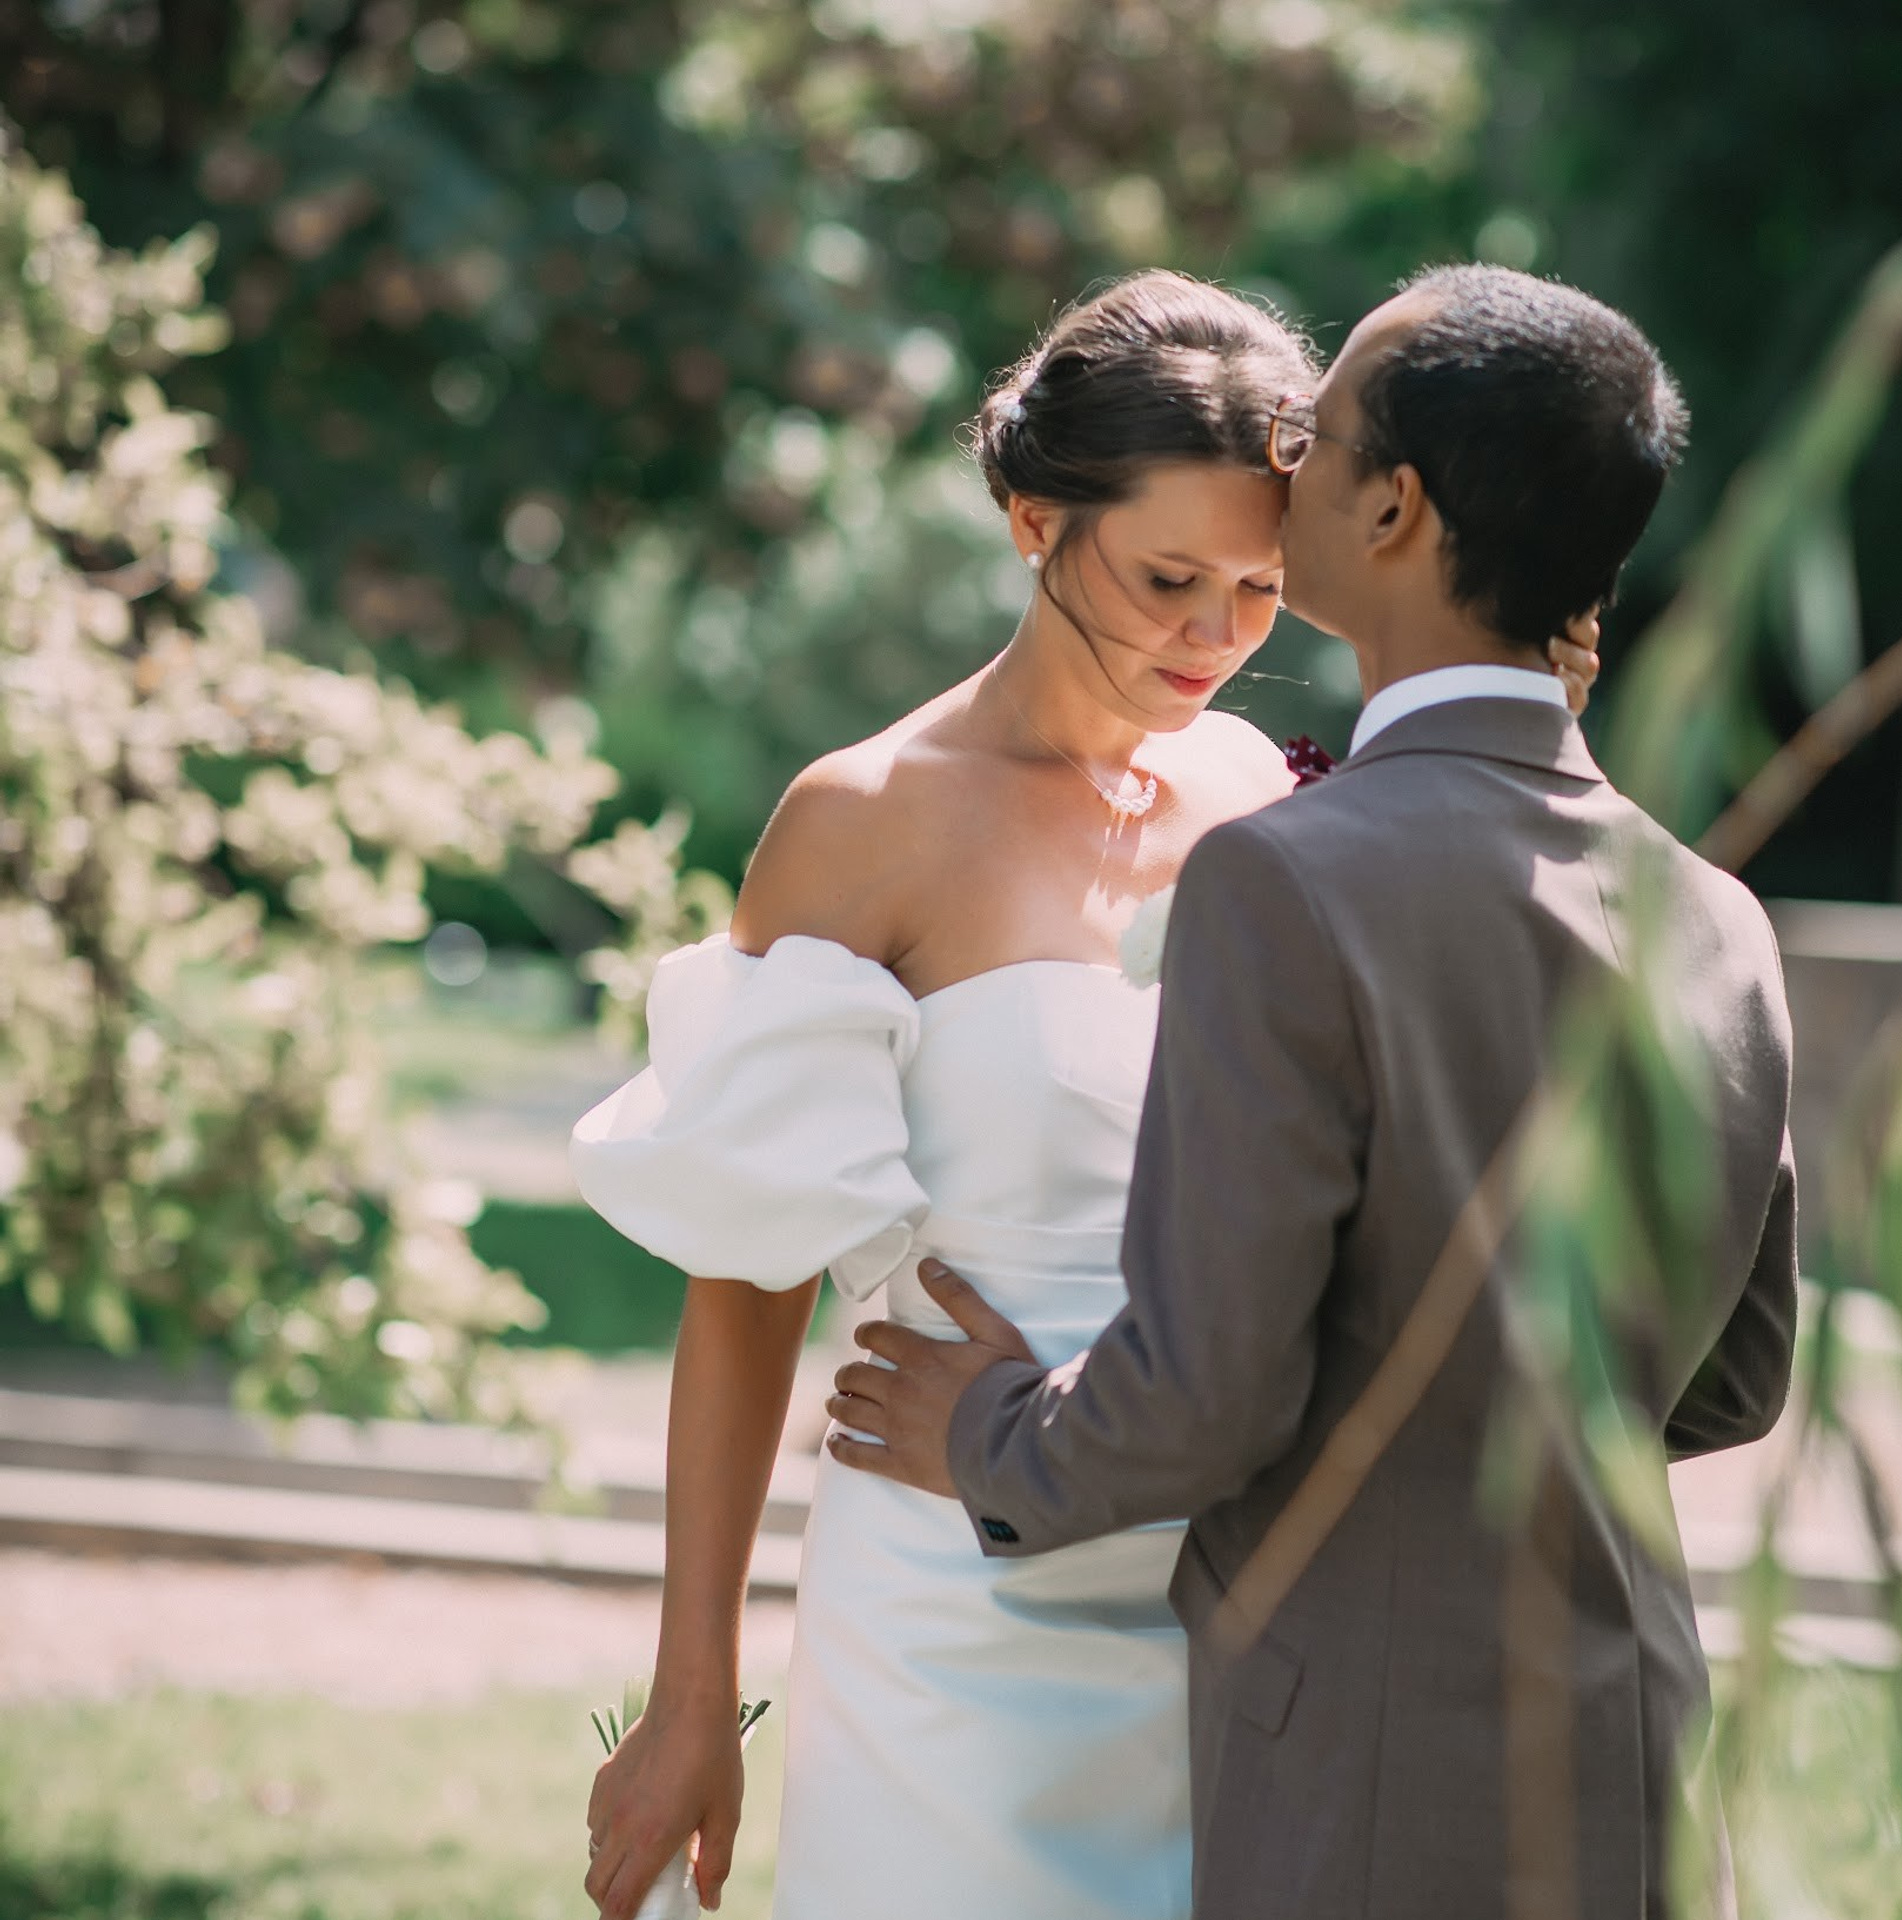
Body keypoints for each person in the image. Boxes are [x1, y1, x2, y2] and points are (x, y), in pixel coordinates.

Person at [572, 270, 1602, 1920]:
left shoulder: (1277, 798)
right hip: (949, 1610)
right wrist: (696, 1694)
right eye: (1166, 578)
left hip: (1244, 1594)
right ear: (1032, 521)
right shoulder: (866, 819)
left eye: (1262, 588)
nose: (1213, 638)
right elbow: (749, 1280)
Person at [830, 265, 1798, 1920]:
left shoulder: (1287, 881)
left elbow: (1206, 1396)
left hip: (1365, 1764)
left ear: (1396, 506)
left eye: (1315, 429)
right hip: (1636, 1745)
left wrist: (987, 1430)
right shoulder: (1713, 917)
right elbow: (1738, 1380)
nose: (1284, 459)